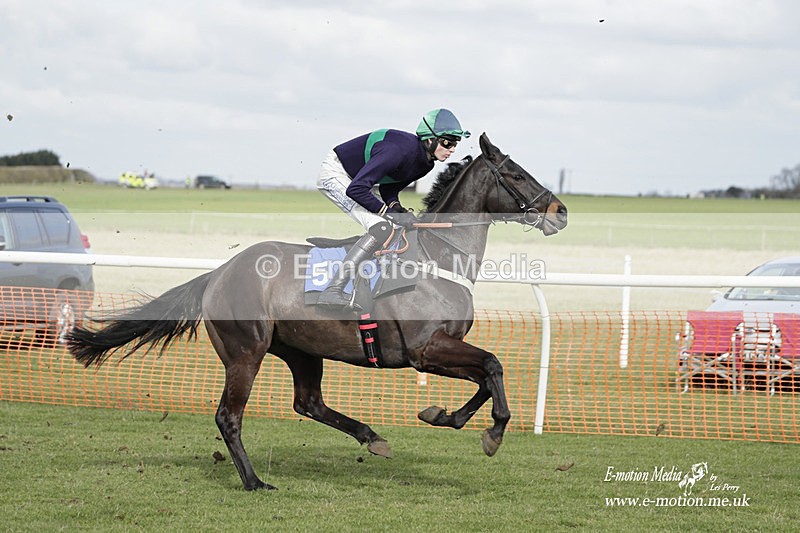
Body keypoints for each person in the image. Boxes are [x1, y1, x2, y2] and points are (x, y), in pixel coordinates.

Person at [315, 108, 470, 309]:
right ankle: (332, 290)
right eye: (447, 142)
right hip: (336, 174)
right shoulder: (398, 151)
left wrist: (398, 209)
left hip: (360, 180)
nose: (451, 149)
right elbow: (357, 189)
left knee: (397, 225)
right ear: (429, 139)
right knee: (381, 226)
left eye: (455, 144)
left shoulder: (426, 164)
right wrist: (388, 213)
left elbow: (389, 187)